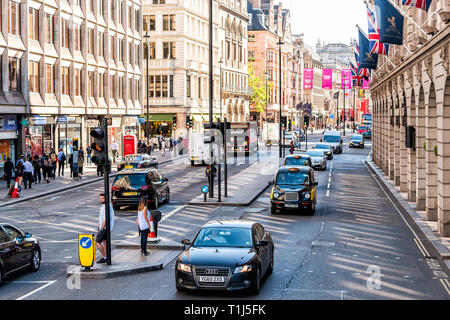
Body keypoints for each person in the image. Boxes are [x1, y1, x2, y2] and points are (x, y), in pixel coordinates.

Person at [95, 193, 115, 264]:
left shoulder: (107, 206)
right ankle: (106, 257)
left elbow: (107, 217)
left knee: (97, 243)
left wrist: (102, 227)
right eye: (100, 198)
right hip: (103, 227)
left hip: (104, 227)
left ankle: (104, 257)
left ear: (106, 198)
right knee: (104, 243)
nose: (101, 200)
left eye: (102, 198)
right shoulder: (103, 205)